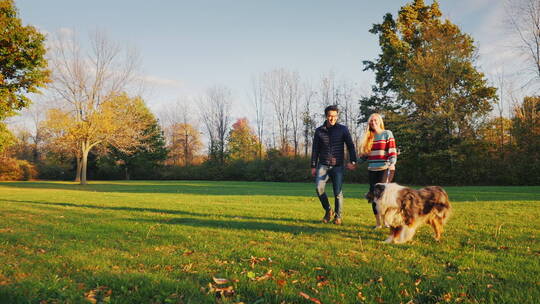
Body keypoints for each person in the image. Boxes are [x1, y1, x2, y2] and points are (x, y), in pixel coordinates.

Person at [311, 105, 357, 225]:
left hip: (338, 166)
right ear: (326, 116)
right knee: (318, 188)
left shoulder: (343, 129)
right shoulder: (319, 131)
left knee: (337, 192)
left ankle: (338, 216)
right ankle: (328, 210)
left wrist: (353, 161)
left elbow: (350, 146)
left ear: (337, 116)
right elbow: (315, 149)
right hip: (323, 165)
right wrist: (313, 165)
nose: (332, 118)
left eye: (334, 116)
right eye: (330, 116)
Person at [358, 113, 398, 228]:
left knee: (383, 195)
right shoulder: (368, 137)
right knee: (373, 196)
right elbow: (365, 156)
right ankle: (378, 223)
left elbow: (392, 150)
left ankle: (386, 220)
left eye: (375, 120)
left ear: (380, 121)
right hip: (372, 170)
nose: (373, 122)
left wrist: (392, 163)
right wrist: (354, 163)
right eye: (371, 121)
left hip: (385, 168)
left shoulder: (387, 133)